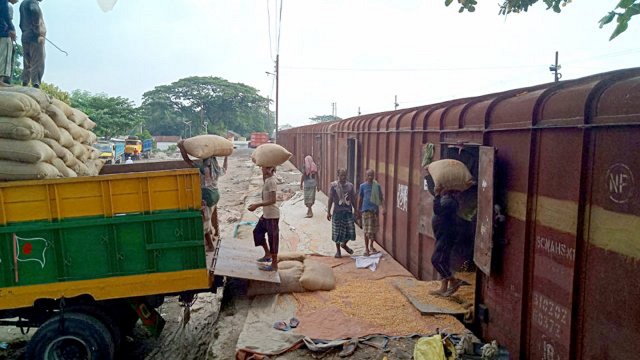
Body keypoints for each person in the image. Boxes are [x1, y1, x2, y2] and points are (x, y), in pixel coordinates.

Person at [177, 140, 227, 250]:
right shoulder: (216, 169)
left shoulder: (203, 169)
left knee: (204, 221)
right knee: (207, 218)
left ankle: (210, 244)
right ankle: (211, 238)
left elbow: (187, 161)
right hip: (215, 196)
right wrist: (226, 157)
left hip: (207, 197)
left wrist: (182, 148)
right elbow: (225, 169)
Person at [425, 168, 464, 297]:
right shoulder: (447, 198)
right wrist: (429, 175)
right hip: (443, 234)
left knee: (436, 259)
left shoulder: (450, 202)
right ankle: (443, 287)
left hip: (447, 235)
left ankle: (453, 281)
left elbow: (438, 210)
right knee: (444, 259)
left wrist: (436, 195)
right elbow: (433, 192)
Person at [249, 166, 280, 271]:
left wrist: (257, 205)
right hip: (266, 214)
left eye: (263, 167)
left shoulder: (271, 182)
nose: (261, 169)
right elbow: (264, 177)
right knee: (257, 232)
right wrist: (267, 171)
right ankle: (267, 254)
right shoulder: (267, 180)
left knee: (273, 239)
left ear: (268, 169)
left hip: (272, 216)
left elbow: (273, 200)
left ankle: (274, 265)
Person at [327, 168, 358, 258]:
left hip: (347, 212)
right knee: (337, 233)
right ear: (338, 175)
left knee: (351, 231)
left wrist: (356, 210)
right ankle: (338, 251)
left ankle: (344, 244)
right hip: (337, 212)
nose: (343, 177)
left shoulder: (350, 186)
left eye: (344, 175)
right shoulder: (334, 186)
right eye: (341, 175)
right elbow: (330, 199)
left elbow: (353, 199)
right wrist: (328, 212)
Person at [357, 169, 384, 256]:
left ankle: (371, 246)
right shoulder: (363, 186)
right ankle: (366, 248)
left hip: (374, 211)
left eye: (372, 175)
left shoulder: (377, 186)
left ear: (374, 176)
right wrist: (358, 209)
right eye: (368, 175)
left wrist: (383, 208)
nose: (370, 177)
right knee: (366, 231)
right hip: (365, 211)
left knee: (373, 230)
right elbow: (360, 198)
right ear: (366, 176)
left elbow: (380, 198)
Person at [19, 0, 45, 88]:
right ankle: (36, 83)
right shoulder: (32, 2)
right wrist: (38, 31)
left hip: (25, 34)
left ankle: (25, 81)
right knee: (37, 60)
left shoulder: (23, 3)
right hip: (34, 36)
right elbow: (34, 10)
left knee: (27, 60)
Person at [0, 0, 16, 85]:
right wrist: (12, 29)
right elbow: (6, 16)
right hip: (3, 33)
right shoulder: (4, 2)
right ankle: (1, 81)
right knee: (4, 57)